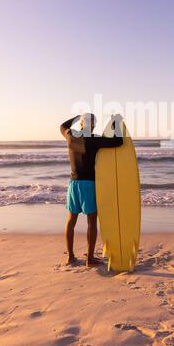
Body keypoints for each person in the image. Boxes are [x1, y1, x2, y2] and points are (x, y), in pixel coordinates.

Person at [60, 113, 123, 267]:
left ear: (81, 124)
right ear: (93, 125)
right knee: (92, 220)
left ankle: (70, 257)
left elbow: (63, 126)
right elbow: (118, 141)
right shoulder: (94, 139)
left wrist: (76, 117)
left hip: (73, 184)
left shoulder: (70, 136)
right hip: (89, 184)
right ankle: (90, 259)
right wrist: (116, 122)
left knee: (71, 220)